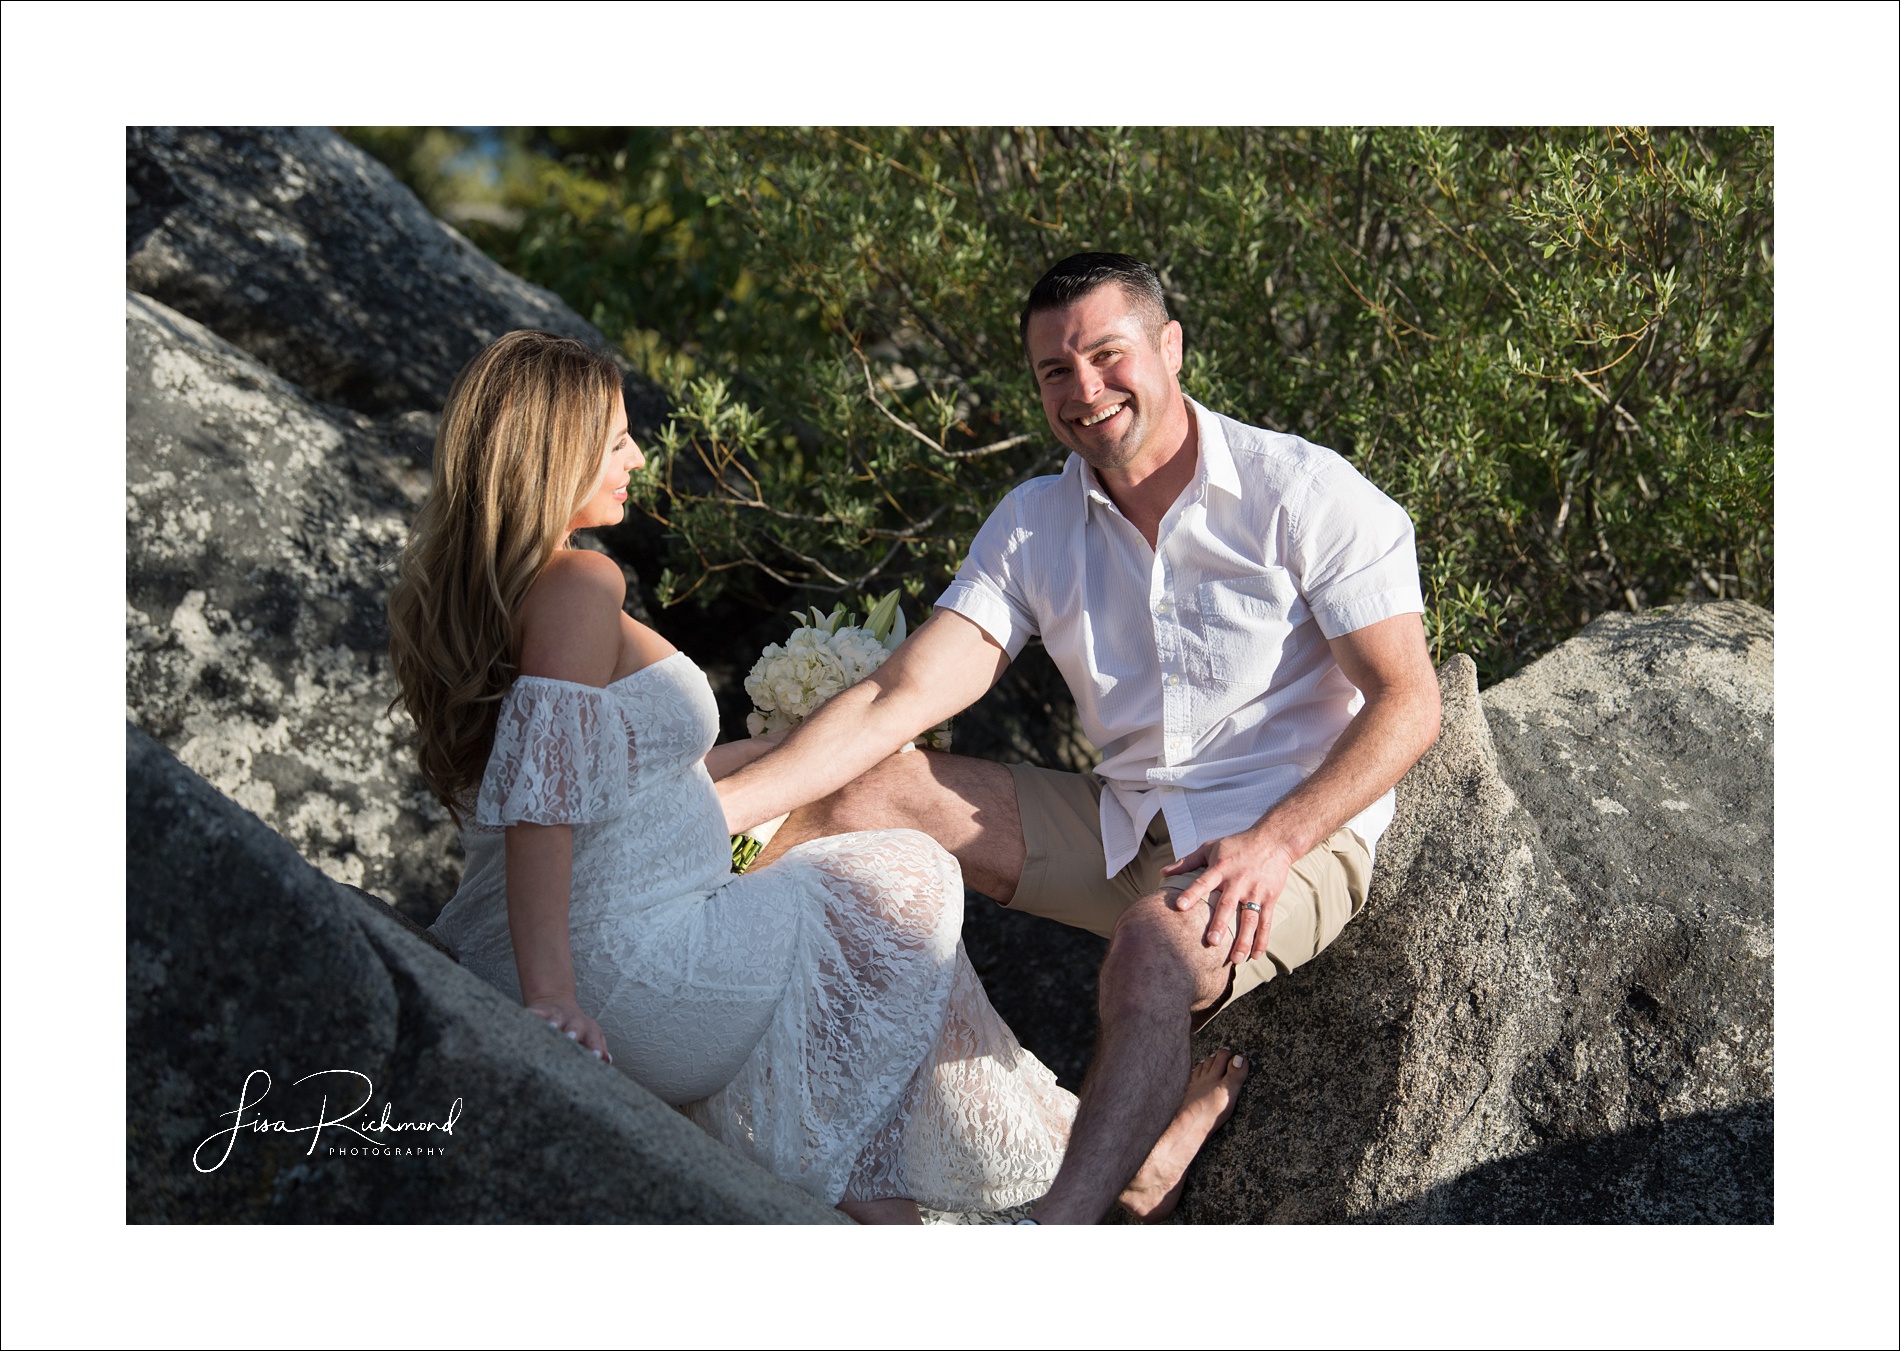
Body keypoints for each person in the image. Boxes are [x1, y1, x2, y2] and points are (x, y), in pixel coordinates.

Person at [387, 329, 1238, 1224]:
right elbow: (543, 807)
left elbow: (607, 778)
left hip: (543, 947)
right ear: (551, 459)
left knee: (844, 983)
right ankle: (1094, 1167)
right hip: (623, 971)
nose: (637, 455)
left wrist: (786, 753)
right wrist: (552, 999)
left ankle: (934, 1205)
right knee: (895, 883)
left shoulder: (488, 596)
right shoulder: (577, 584)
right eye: (614, 440)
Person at [721, 253, 1443, 1224]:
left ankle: (1055, 1239)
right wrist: (717, 811)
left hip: (1279, 832)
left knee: (1153, 948)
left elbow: (1408, 702)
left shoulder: (1302, 491)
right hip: (1120, 821)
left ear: (1169, 347)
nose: (1084, 390)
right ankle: (775, 1085)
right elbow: (902, 690)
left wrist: (1278, 842)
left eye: (1107, 355)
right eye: (1055, 371)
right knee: (855, 797)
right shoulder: (1032, 524)